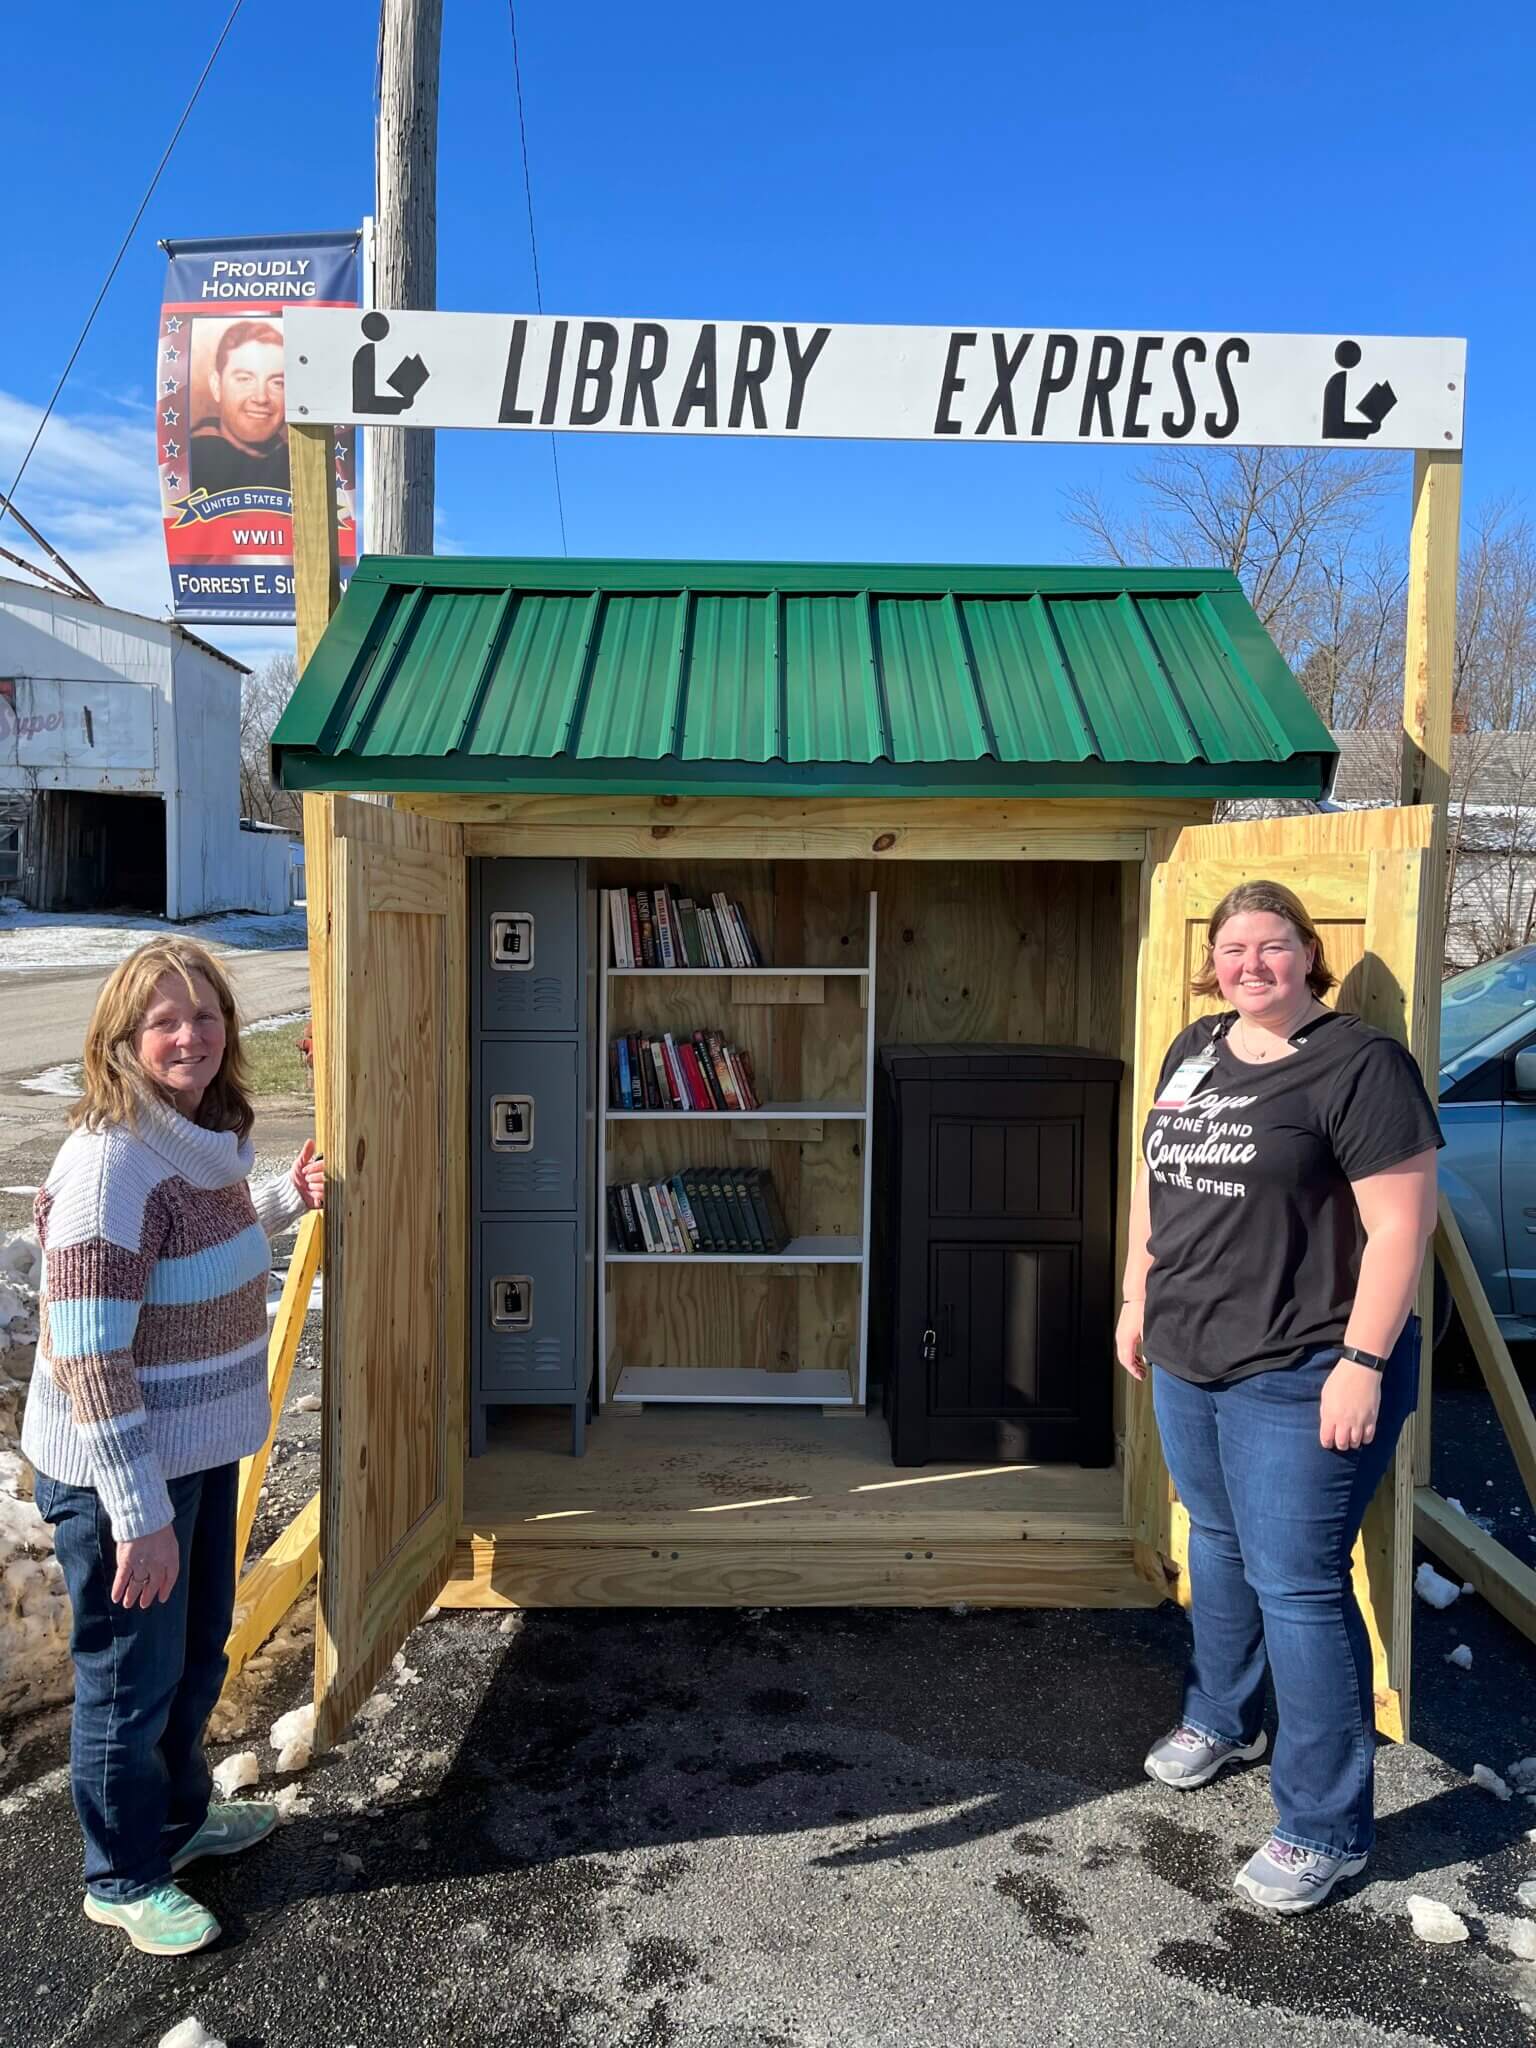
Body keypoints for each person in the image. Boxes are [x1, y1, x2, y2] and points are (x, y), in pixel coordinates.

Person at [1118, 879, 1441, 1915]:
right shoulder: (1194, 1048)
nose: (1250, 962)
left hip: (1305, 1361)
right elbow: (1154, 1180)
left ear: (1309, 952)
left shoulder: (1360, 1065)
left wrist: (1364, 1359)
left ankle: (1324, 1827)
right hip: (1189, 1349)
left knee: (1299, 1582)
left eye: (1272, 945)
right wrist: (1135, 1293)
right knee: (1213, 1538)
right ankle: (1222, 1716)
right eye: (1231, 947)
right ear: (1212, 961)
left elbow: (1401, 1226)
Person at [22, 938, 324, 1955]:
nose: (189, 1034)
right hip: (120, 1467)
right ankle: (121, 1873)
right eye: (164, 1020)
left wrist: (287, 1195)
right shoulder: (112, 1162)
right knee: (129, 1675)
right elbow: (88, 1356)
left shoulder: (197, 1138)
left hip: (187, 1449)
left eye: (204, 1013)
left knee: (195, 1654)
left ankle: (179, 1818)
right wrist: (136, 1510)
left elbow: (210, 1252)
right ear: (123, 1037)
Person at [190, 320, 289, 492]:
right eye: (245, 379)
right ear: (216, 386)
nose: (261, 397)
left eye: (277, 383)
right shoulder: (190, 461)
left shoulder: (303, 465)